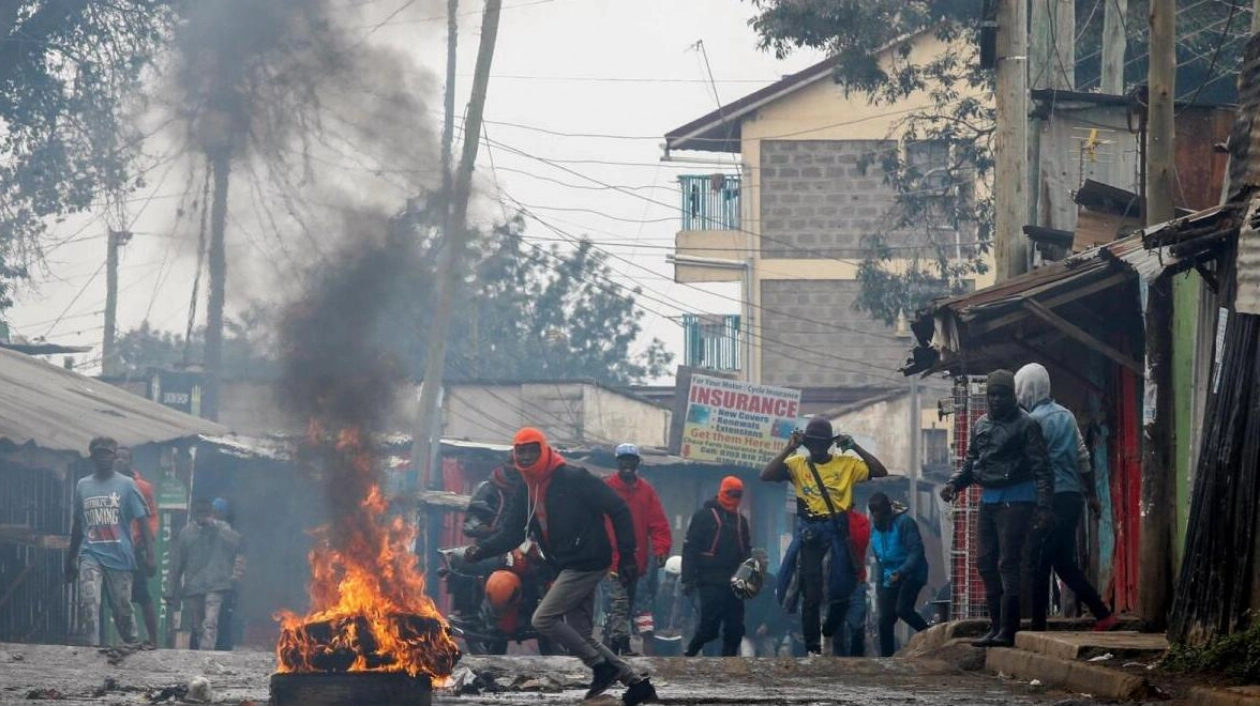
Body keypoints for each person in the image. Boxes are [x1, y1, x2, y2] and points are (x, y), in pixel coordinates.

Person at [464, 428, 657, 707]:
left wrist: (627, 555)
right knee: (581, 634)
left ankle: (602, 668)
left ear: (544, 450)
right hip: (566, 563)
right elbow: (512, 534)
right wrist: (480, 551)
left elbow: (618, 508)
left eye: (533, 449)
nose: (527, 456)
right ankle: (636, 684)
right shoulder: (526, 487)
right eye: (521, 451)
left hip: (588, 561)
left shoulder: (573, 477)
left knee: (543, 620)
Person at [940, 369, 1054, 648]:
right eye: (992, 394)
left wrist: (1043, 506)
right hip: (989, 500)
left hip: (1017, 500)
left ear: (1012, 395)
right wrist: (955, 484)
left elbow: (1042, 468)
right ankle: (995, 626)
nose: (996, 399)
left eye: (1002, 394)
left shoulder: (1026, 425)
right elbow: (971, 463)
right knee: (985, 562)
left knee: (1008, 563)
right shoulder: (980, 426)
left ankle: (1009, 628)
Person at [762, 417, 889, 656]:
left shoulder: (847, 464)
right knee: (811, 594)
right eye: (812, 442)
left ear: (830, 443)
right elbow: (766, 475)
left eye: (822, 443)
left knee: (843, 589)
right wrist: (790, 447)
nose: (817, 447)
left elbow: (880, 471)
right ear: (806, 443)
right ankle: (813, 648)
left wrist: (855, 447)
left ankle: (830, 628)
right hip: (810, 534)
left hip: (837, 533)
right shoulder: (797, 464)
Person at [1015, 363, 1120, 632]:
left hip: (1049, 500)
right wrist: (1092, 495)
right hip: (1072, 497)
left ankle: (1038, 625)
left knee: (1038, 562)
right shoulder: (1067, 416)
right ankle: (1102, 614)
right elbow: (1083, 457)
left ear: (1027, 388)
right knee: (1062, 562)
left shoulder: (1032, 422)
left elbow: (1031, 462)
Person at [65, 437, 155, 646]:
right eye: (99, 453)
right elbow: (78, 525)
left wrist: (151, 555)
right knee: (89, 602)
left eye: (107, 453)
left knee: (122, 607)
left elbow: (143, 521)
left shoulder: (127, 485)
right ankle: (93, 647)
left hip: (120, 556)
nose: (103, 458)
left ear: (114, 456)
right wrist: (70, 559)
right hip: (90, 554)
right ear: (92, 457)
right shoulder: (83, 486)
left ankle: (131, 643)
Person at [603, 443, 672, 656]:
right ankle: (616, 652)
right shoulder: (606, 488)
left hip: (638, 565)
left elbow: (658, 523)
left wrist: (661, 548)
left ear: (637, 463)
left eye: (631, 461)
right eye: (623, 460)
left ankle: (641, 661)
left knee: (640, 611)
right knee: (618, 607)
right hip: (610, 562)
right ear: (617, 463)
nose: (627, 465)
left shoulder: (646, 491)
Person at [680, 476, 752, 657]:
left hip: (735, 581)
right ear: (721, 492)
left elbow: (746, 550)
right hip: (709, 579)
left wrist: (749, 576)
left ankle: (728, 663)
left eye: (738, 494)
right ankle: (690, 653)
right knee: (709, 627)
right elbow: (690, 548)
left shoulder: (740, 521)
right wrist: (688, 578)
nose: (734, 498)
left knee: (735, 628)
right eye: (730, 493)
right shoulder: (703, 516)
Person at [166, 498, 244, 651]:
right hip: (194, 586)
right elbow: (177, 563)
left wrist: (215, 528)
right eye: (200, 512)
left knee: (210, 622)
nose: (203, 515)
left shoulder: (222, 528)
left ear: (212, 513)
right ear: (195, 513)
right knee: (199, 625)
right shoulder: (186, 533)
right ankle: (202, 652)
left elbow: (237, 542)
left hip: (216, 584)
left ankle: (206, 652)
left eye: (206, 512)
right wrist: (170, 590)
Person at [867, 493, 930, 657]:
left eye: (879, 513)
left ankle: (931, 638)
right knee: (885, 620)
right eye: (873, 513)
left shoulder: (905, 523)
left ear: (887, 511)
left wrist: (902, 572)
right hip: (890, 577)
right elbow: (880, 562)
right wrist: (881, 586)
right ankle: (887, 658)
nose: (876, 517)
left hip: (912, 574)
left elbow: (916, 551)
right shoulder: (875, 532)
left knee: (903, 609)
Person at [114, 446, 160, 648]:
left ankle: (154, 640)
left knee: (142, 595)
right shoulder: (106, 485)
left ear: (131, 461)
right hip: (113, 549)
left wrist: (148, 543)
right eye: (117, 457)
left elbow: (152, 517)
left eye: (124, 457)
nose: (120, 460)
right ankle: (126, 639)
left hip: (135, 549)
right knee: (118, 597)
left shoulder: (142, 487)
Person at [211, 497, 247, 651]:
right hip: (211, 582)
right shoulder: (206, 532)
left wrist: (234, 579)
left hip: (226, 582)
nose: (212, 514)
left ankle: (223, 647)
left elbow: (239, 560)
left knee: (224, 616)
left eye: (216, 511)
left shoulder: (232, 536)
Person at [839, 509, 873, 657]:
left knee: (856, 626)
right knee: (839, 627)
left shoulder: (860, 521)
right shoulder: (827, 521)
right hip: (837, 582)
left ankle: (855, 660)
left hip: (854, 580)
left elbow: (862, 541)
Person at [742, 550, 788, 657]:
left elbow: (774, 605)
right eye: (764, 558)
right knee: (747, 657)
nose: (767, 561)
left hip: (766, 630)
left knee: (769, 658)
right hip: (747, 629)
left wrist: (766, 624)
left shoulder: (771, 580)